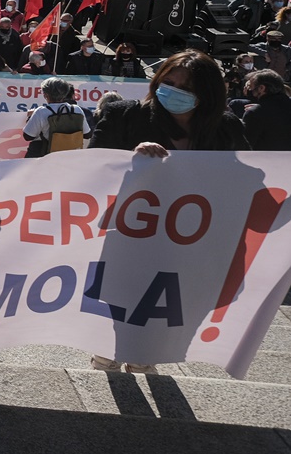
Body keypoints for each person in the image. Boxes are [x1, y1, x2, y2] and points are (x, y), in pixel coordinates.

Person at [88, 49, 249, 375]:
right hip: (130, 234)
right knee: (120, 297)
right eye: (168, 82)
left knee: (167, 303)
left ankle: (145, 358)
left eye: (185, 87)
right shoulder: (125, 116)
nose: (173, 91)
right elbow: (93, 168)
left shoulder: (226, 128)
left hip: (189, 241)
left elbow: (244, 181)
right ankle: (105, 356)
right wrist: (130, 160)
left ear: (207, 94)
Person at [22, 77, 90, 157]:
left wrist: (30, 117)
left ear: (46, 95)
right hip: (70, 154)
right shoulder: (76, 109)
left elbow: (28, 136)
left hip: (46, 155)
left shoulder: (41, 112)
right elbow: (87, 134)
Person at [239, 69, 291, 151]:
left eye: (251, 87)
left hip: (265, 161)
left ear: (261, 88)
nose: (249, 91)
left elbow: (245, 146)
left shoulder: (255, 113)